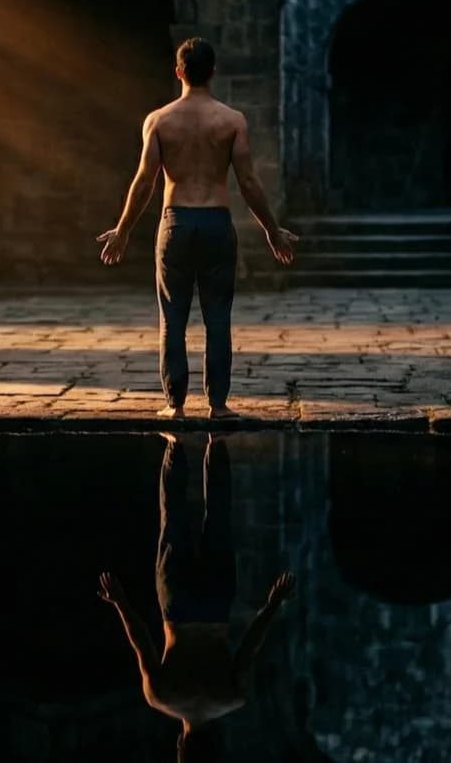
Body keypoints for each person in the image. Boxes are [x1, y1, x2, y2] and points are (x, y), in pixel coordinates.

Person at [96, 37, 300, 420]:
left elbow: (145, 181)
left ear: (178, 72)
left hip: (175, 222)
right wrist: (272, 230)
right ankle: (218, 404)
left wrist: (122, 229)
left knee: (172, 317)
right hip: (216, 223)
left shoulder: (158, 120)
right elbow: (250, 183)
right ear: (214, 72)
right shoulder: (232, 120)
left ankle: (174, 405)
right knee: (217, 316)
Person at [97, 434, 297, 761]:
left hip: (216, 607)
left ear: (216, 744)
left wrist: (273, 603)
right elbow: (141, 642)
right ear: (180, 745)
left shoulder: (232, 698)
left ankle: (215, 443)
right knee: (173, 522)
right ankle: (175, 446)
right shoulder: (159, 697)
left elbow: (251, 645)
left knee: (218, 521)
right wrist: (121, 602)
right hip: (177, 610)